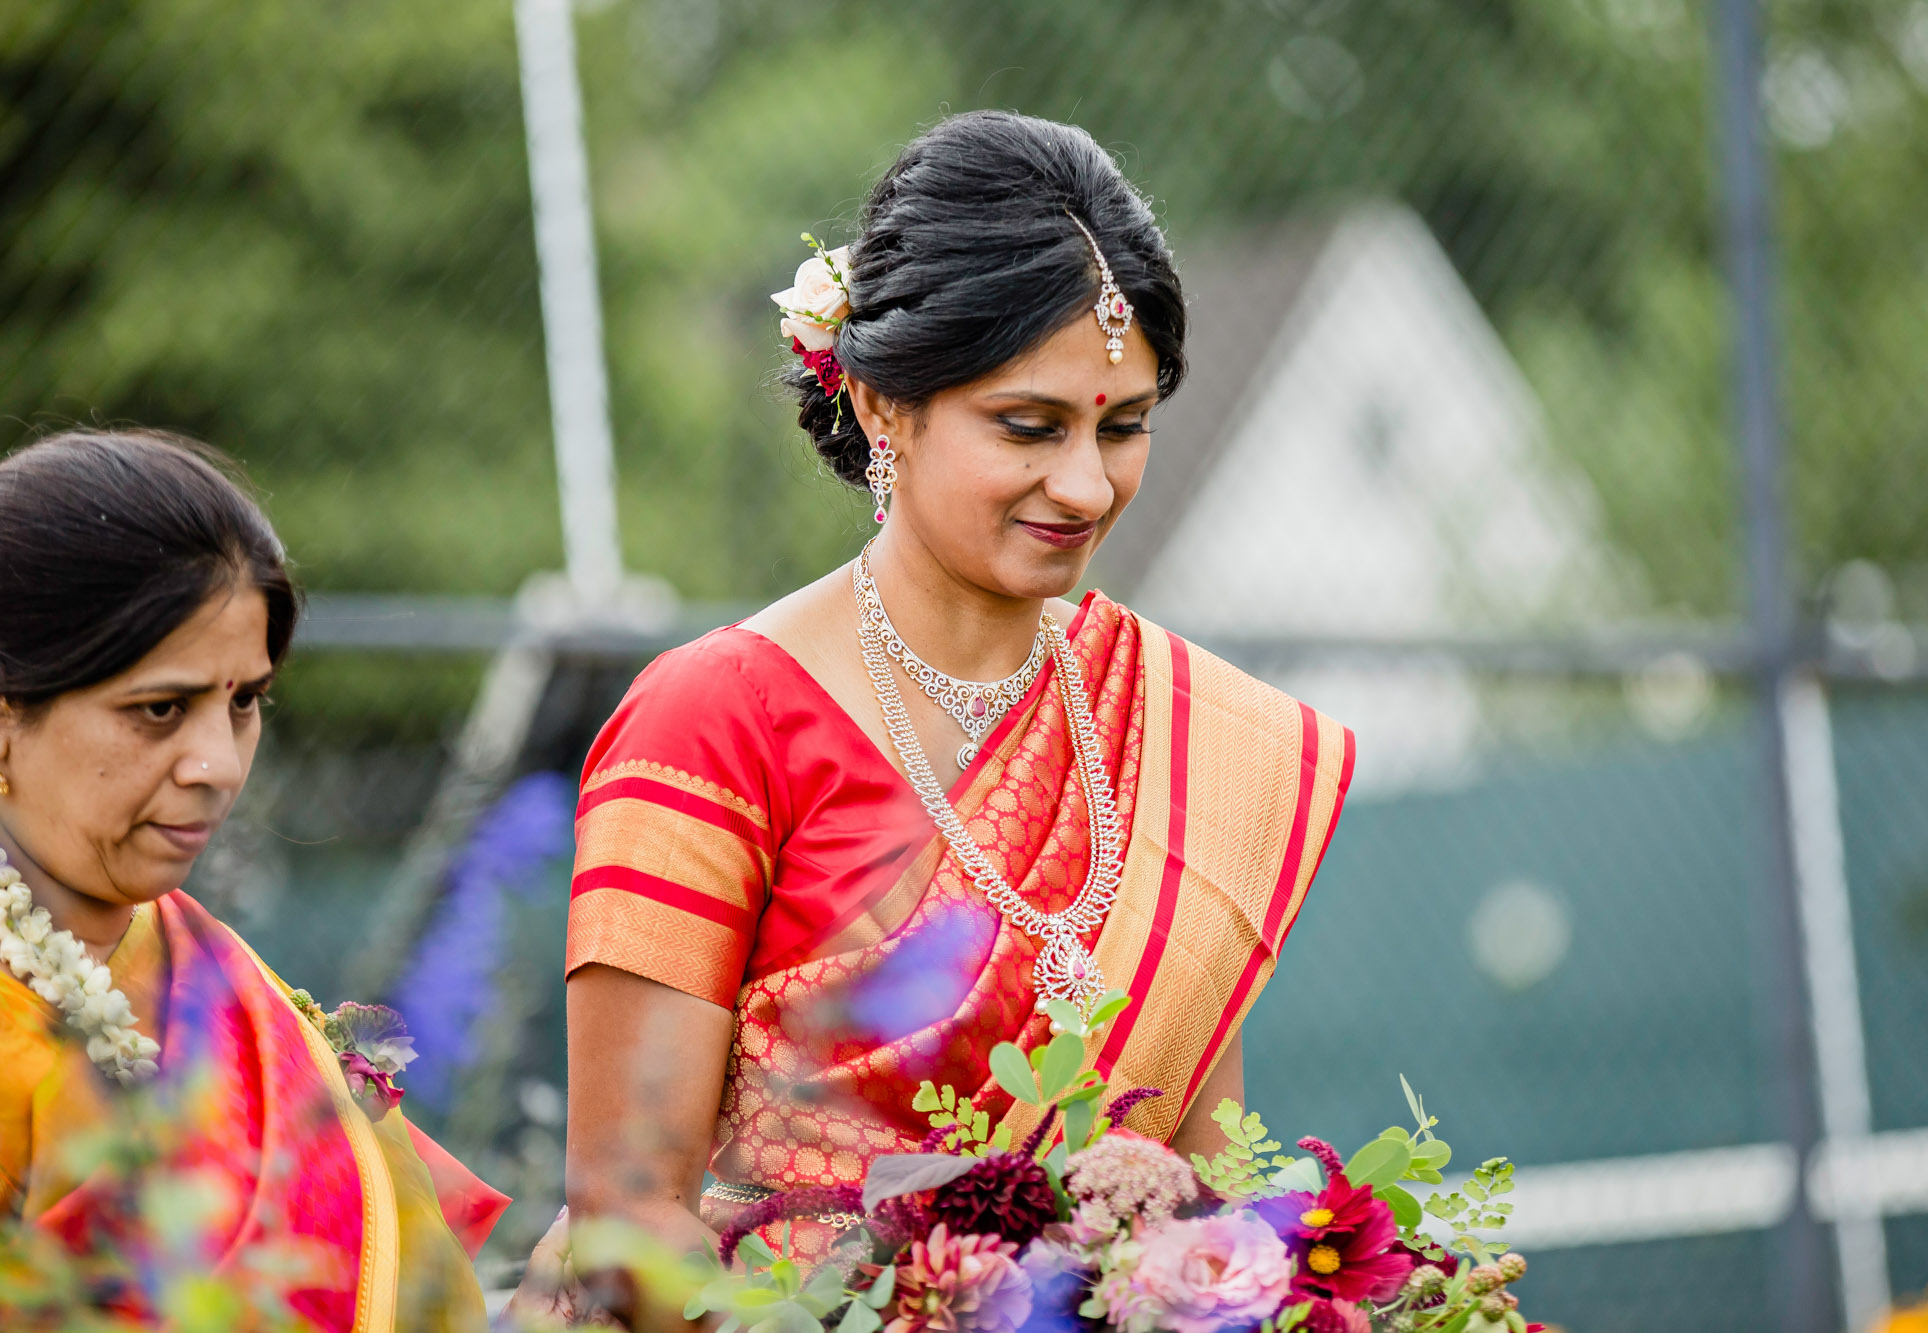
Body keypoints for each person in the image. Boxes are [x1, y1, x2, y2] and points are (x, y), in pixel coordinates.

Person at [545, 110, 1353, 1323]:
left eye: (1121, 427)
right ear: (883, 407)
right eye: (1028, 427)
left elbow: (1206, 1184)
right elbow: (627, 1214)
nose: (1085, 485)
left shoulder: (1179, 729)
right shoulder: (716, 720)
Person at [0, 429, 506, 1331]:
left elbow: (411, 1277)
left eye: (244, 703)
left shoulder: (208, 973)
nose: (217, 765)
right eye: (160, 708)